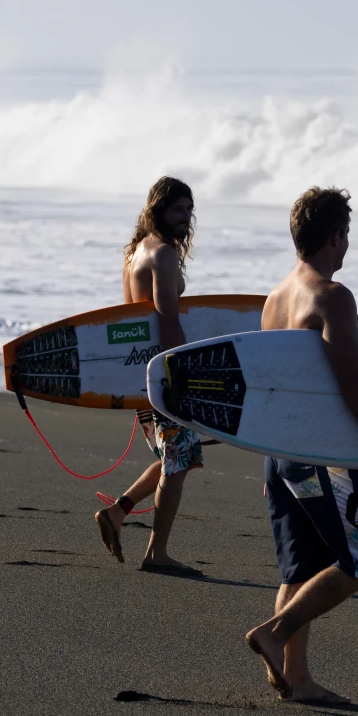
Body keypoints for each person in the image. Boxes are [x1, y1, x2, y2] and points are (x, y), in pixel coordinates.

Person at [245, 186, 358, 705]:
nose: (347, 247)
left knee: (299, 569)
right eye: (347, 236)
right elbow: (353, 378)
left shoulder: (276, 298)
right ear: (335, 237)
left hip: (280, 451)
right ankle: (273, 634)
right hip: (321, 456)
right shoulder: (332, 297)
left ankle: (296, 678)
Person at [94, 176, 204, 577]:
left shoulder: (136, 252)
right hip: (162, 377)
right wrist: (180, 377)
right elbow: (168, 323)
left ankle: (116, 513)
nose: (186, 217)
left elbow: (134, 321)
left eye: (190, 209)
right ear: (159, 208)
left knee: (179, 457)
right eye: (178, 209)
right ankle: (157, 553)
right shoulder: (163, 256)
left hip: (139, 375)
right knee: (177, 463)